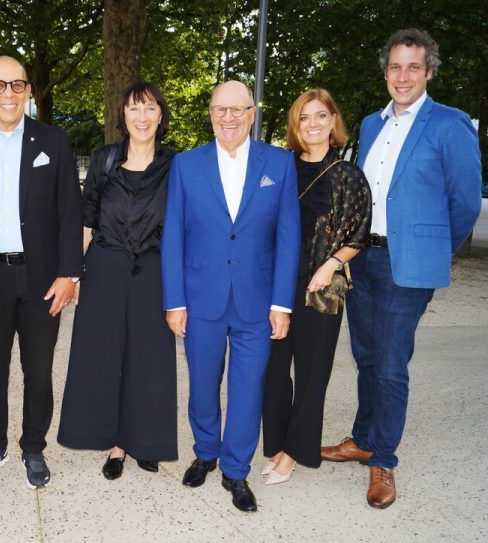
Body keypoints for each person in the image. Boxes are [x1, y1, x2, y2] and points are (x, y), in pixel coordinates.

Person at [321, 28, 482, 509]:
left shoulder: (451, 125)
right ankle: (362, 438)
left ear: (429, 71)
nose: (403, 75)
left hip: (406, 268)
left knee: (391, 366)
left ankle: (383, 460)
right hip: (361, 258)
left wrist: (432, 250)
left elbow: (464, 203)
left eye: (414, 66)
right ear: (386, 71)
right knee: (367, 358)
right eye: (395, 66)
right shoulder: (371, 124)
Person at [161, 80, 300, 513]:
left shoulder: (279, 163)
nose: (228, 118)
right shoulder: (186, 165)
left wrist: (282, 304)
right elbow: (173, 238)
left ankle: (236, 470)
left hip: (257, 303)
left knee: (246, 389)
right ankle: (206, 453)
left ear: (252, 112)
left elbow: (289, 236)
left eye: (237, 110)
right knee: (203, 383)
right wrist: (174, 301)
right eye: (220, 110)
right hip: (201, 298)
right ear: (210, 114)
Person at [0, 56, 83, 489]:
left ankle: (34, 447)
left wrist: (70, 274)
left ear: (29, 90)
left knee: (38, 369)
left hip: (42, 278)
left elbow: (70, 211)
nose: (7, 93)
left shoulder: (54, 141)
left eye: (16, 85)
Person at [57, 82, 177, 479]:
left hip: (154, 271)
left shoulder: (177, 165)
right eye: (133, 110)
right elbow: (86, 220)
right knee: (105, 356)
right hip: (105, 268)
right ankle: (115, 443)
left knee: (150, 359)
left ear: (161, 114)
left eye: (149, 109)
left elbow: (184, 229)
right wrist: (73, 274)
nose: (141, 117)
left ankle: (144, 439)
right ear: (122, 116)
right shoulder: (104, 160)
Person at [261, 88, 371, 485]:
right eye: (304, 117)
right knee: (272, 368)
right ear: (295, 124)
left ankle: (294, 452)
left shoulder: (348, 175)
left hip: (320, 288)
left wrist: (330, 265)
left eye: (321, 115)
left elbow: (359, 233)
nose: (313, 123)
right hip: (276, 283)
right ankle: (274, 443)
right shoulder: (279, 169)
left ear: (332, 121)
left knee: (311, 372)